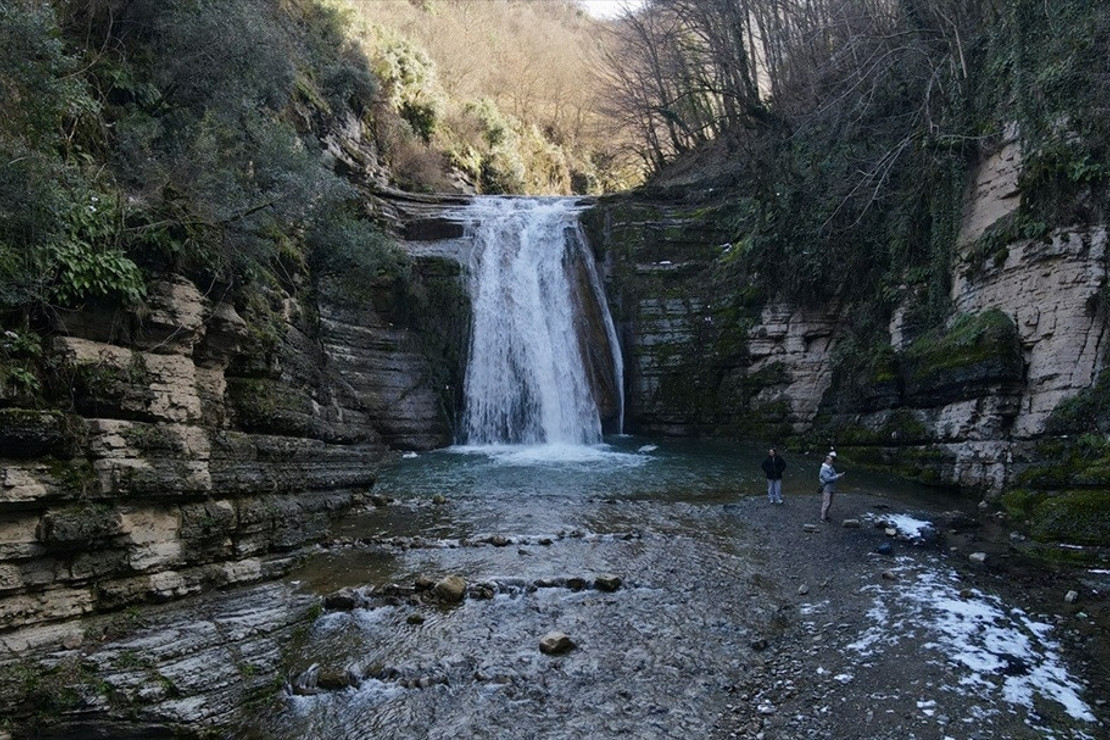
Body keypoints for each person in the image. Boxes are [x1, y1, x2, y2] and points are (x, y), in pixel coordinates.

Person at [818, 451, 845, 522]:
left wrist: (839, 476)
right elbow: (827, 479)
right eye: (830, 460)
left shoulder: (830, 467)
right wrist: (838, 476)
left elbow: (833, 475)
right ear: (826, 460)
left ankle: (825, 515)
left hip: (832, 487)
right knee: (826, 503)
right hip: (827, 487)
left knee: (830, 502)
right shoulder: (824, 469)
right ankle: (822, 518)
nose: (832, 461)